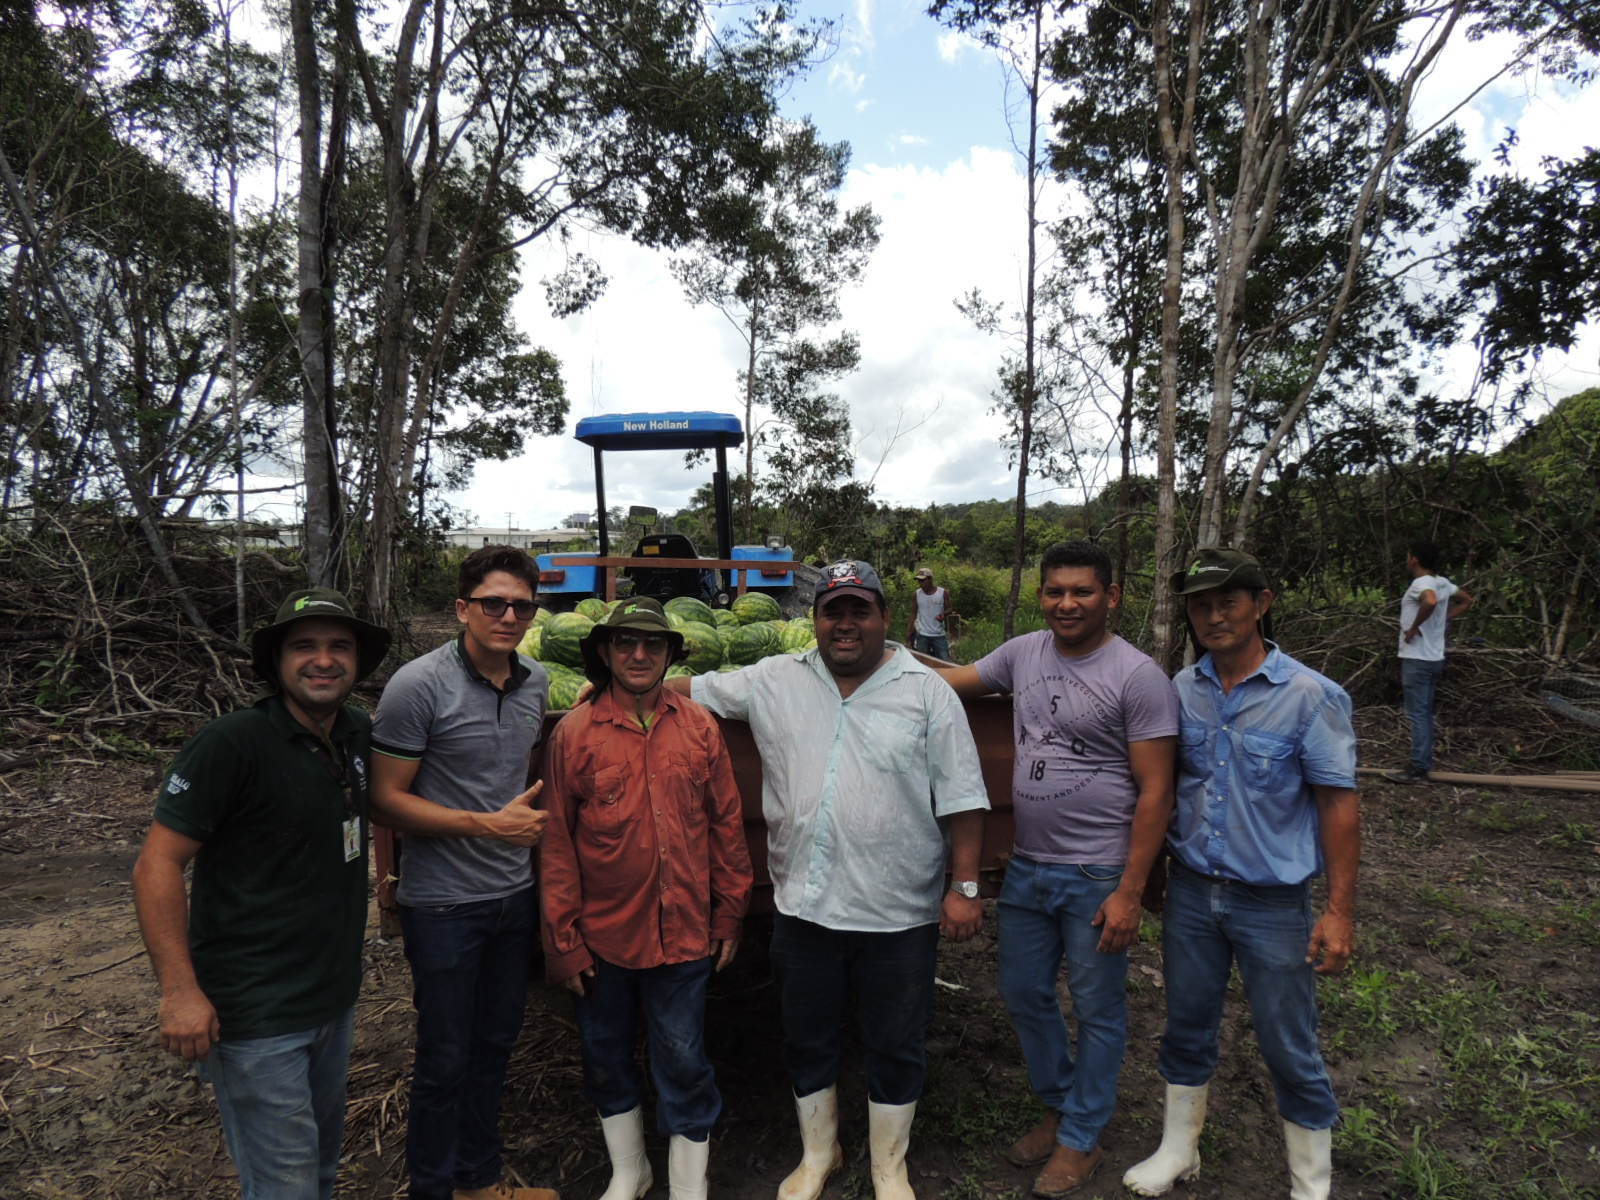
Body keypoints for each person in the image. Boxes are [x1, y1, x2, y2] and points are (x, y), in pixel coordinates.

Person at [668, 560, 990, 1200]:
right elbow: (688, 687)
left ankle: (888, 1167)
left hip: (899, 912)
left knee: (896, 1043)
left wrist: (966, 888)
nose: (845, 624)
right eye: (832, 611)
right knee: (807, 1036)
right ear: (813, 619)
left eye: (858, 610)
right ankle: (820, 1153)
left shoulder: (927, 690)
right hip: (804, 907)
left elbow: (964, 797)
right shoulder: (772, 679)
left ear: (884, 617)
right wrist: (616, 685)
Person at [132, 587, 391, 1198]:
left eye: (339, 647)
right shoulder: (233, 743)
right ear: (277, 663)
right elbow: (155, 866)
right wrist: (179, 992)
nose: (323, 660)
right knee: (285, 1185)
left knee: (323, 1165)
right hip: (257, 1013)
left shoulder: (354, 731)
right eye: (304, 647)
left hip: (332, 997)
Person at [939, 541, 1178, 1196]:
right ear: (1041, 595)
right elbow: (948, 681)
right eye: (1055, 591)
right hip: (1030, 867)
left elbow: (1157, 791)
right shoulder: (1022, 654)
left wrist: (1130, 891)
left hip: (1098, 871)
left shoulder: (1137, 677)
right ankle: (1061, 1105)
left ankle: (1082, 1139)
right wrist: (865, 663)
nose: (1067, 603)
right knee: (1023, 993)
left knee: (1099, 1008)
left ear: (1112, 596)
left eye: (1082, 591)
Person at [1124, 548, 1359, 1200]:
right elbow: (1164, 788)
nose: (1214, 614)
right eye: (1201, 604)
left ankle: (1310, 1184)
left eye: (1228, 600)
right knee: (1187, 1025)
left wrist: (1339, 910)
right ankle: (1179, 1150)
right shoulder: (1180, 692)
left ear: (1262, 602)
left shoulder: (1310, 697)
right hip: (1195, 893)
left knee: (1289, 1044)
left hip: (1273, 903)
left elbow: (1338, 805)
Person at [539, 599, 753, 1200]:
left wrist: (730, 907)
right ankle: (630, 1172)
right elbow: (556, 841)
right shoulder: (575, 733)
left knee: (683, 1059)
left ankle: (689, 1186)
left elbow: (725, 825)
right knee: (604, 1055)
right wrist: (563, 939)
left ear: (669, 655)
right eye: (625, 644)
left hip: (683, 929)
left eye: (652, 646)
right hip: (603, 935)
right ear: (605, 652)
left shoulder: (700, 726)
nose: (638, 656)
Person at [370, 546, 559, 1200]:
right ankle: (432, 1188)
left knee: (495, 1047)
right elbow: (385, 798)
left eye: (521, 606)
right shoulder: (417, 685)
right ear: (462, 609)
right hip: (445, 905)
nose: (508, 615)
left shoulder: (535, 681)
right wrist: (489, 827)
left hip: (513, 899)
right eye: (493, 604)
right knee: (444, 1060)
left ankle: (481, 1182)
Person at [1388, 540, 1473, 783]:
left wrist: (1415, 627)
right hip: (1434, 657)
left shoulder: (1422, 584)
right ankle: (1421, 763)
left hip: (1417, 659)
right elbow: (1466, 600)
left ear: (1414, 560)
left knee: (1417, 714)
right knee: (1424, 713)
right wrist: (1444, 619)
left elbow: (1430, 601)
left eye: (1408, 556)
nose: (1407, 560)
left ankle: (1417, 768)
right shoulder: (1442, 582)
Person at [905, 567, 953, 660]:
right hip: (922, 635)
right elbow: (913, 614)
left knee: (945, 662)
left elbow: (950, 608)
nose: (920, 584)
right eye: (919, 581)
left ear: (930, 579)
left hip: (938, 634)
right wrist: (909, 632)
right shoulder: (917, 594)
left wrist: (943, 614)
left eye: (923, 581)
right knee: (922, 663)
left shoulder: (942, 593)